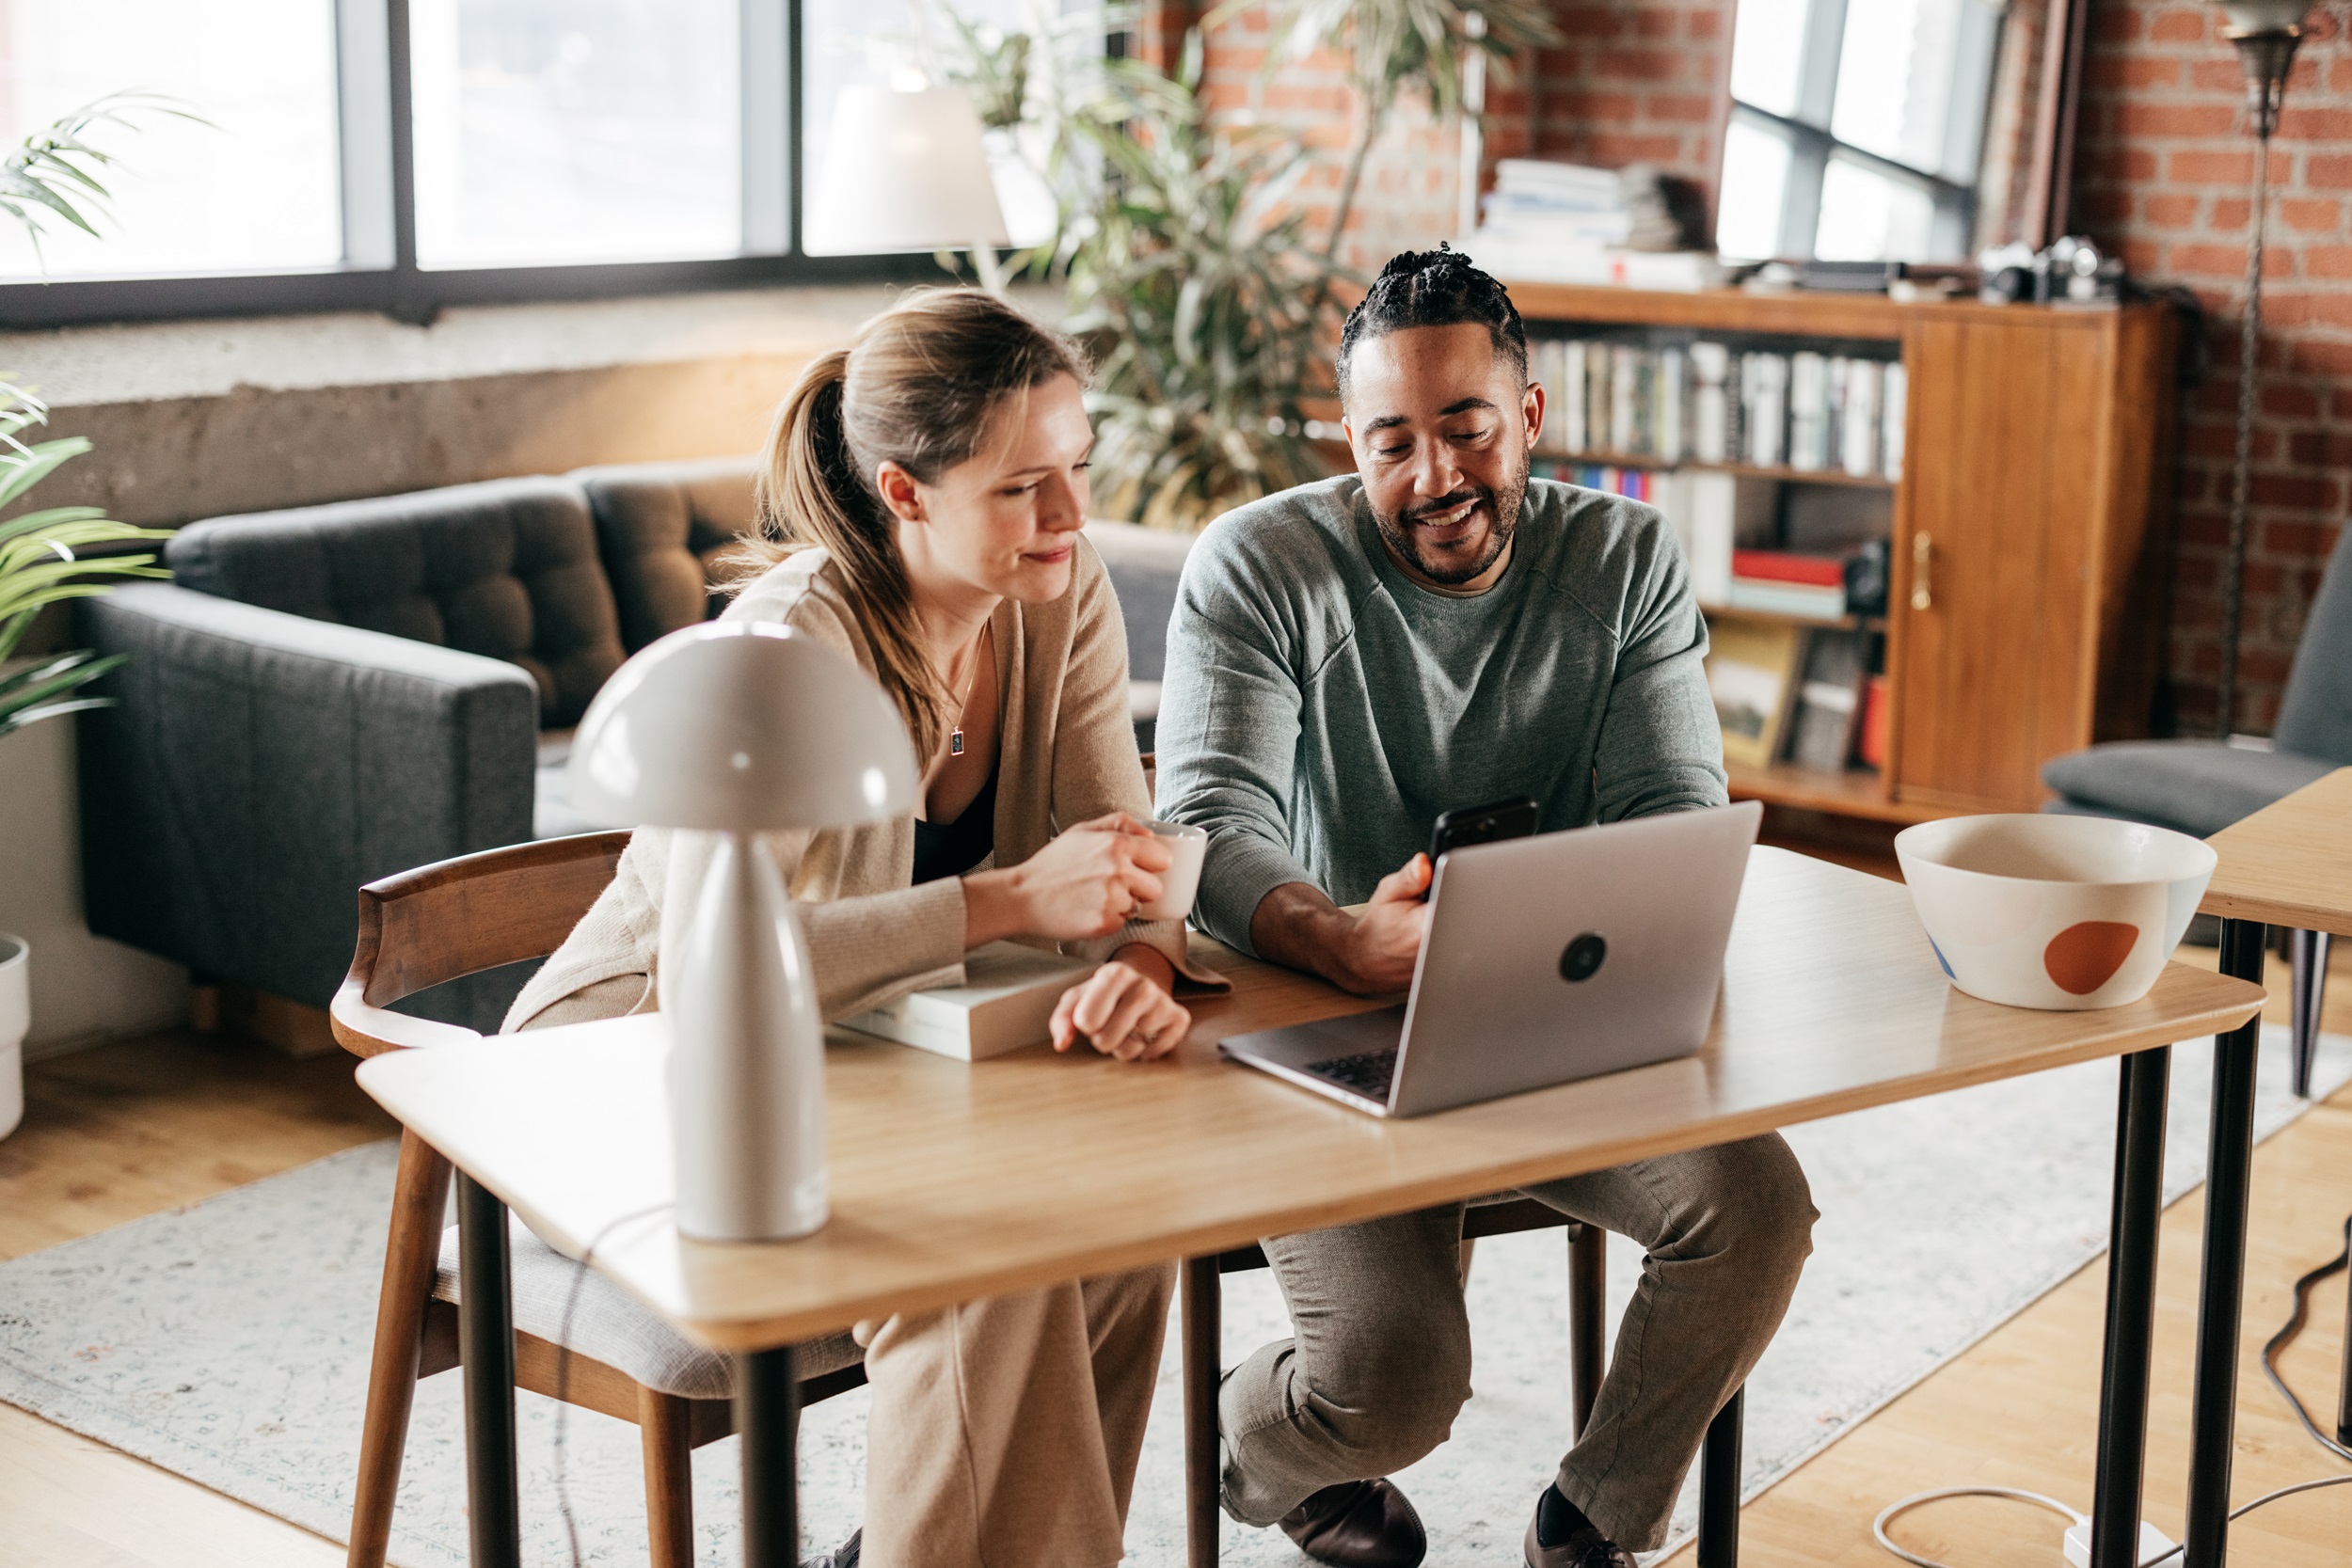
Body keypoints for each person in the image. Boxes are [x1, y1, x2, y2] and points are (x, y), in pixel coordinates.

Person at [510, 288, 1224, 1568]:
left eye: (1076, 470)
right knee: (992, 1255)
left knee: (1120, 1231)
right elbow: (711, 977)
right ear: (905, 493)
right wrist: (1005, 901)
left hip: (861, 1069)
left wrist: (1142, 961)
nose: (1068, 517)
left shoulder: (1062, 596)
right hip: (628, 1076)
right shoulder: (790, 649)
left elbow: (1130, 848)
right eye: (1022, 488)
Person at [1153, 248, 1818, 1568]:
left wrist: (1551, 931)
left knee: (1755, 1217)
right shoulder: (1259, 565)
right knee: (1395, 1384)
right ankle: (1249, 1450)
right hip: (1320, 1034)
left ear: (1530, 415)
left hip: (1549, 1019)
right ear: (1349, 440)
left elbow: (1673, 816)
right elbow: (1205, 825)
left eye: (1466, 426)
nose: (1436, 476)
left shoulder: (1623, 557)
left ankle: (1592, 1524)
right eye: (1391, 441)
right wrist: (1339, 932)